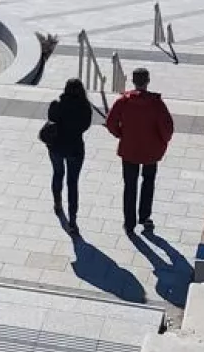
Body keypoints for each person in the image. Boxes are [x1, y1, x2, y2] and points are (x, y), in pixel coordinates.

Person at [104, 67, 175, 233]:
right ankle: (145, 217)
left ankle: (129, 222)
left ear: (133, 81)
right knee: (148, 182)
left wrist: (120, 134)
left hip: (129, 149)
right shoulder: (156, 104)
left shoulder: (123, 101)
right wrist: (162, 142)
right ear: (148, 81)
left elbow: (110, 122)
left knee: (130, 185)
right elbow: (167, 127)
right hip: (151, 150)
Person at [41, 78, 95, 234]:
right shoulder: (84, 107)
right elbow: (85, 126)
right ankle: (72, 220)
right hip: (75, 149)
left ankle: (57, 204)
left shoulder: (57, 104)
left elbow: (51, 118)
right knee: (73, 183)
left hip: (56, 147)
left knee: (57, 174)